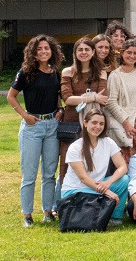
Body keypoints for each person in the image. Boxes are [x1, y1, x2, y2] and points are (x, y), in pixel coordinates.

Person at [9, 35, 64, 227]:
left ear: (52, 51)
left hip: (52, 126)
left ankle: (48, 211)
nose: (43, 52)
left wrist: (60, 109)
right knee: (29, 174)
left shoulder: (55, 72)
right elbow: (11, 96)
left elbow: (57, 96)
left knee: (50, 172)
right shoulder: (26, 72)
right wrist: (24, 115)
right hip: (32, 126)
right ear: (33, 52)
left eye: (46, 48)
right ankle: (27, 215)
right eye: (39, 49)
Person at [60, 106, 128, 227]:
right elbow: (83, 178)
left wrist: (108, 183)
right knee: (107, 188)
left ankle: (115, 218)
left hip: (98, 185)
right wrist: (108, 192)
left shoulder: (108, 142)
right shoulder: (75, 147)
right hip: (76, 190)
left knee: (124, 180)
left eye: (101, 124)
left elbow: (123, 167)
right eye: (94, 123)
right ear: (85, 123)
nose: (98, 127)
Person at [59, 37, 110, 189]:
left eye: (87, 49)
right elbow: (67, 99)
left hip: (93, 124)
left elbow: (103, 97)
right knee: (66, 163)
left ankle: (91, 195)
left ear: (93, 52)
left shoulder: (101, 73)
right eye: (80, 49)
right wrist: (92, 97)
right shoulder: (68, 72)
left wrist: (82, 98)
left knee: (93, 162)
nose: (83, 52)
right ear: (75, 52)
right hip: (72, 123)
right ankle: (63, 200)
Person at [104, 40, 136, 160]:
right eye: (129, 52)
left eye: (135, 53)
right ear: (122, 53)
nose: (132, 56)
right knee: (127, 158)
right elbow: (111, 102)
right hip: (125, 122)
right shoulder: (115, 76)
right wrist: (126, 123)